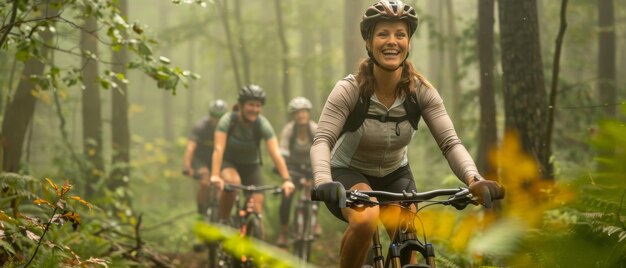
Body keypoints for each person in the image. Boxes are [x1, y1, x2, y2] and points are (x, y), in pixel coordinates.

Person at [310, 1, 505, 267]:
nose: (392, 41)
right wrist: (323, 181)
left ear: (409, 42)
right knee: (366, 220)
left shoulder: (421, 91)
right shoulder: (350, 89)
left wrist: (474, 179)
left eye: (400, 34)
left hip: (395, 174)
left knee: (407, 237)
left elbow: (450, 143)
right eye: (383, 34)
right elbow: (322, 140)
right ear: (369, 42)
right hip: (348, 171)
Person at [210, 85, 295, 230]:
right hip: (229, 162)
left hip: (251, 166)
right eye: (251, 104)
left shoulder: (262, 124)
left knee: (257, 206)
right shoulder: (228, 120)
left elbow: (275, 153)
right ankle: (224, 222)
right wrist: (215, 175)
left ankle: (254, 237)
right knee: (232, 182)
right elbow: (218, 149)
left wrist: (286, 180)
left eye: (258, 106)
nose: (254, 109)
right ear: (241, 105)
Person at [275, 97, 318, 247]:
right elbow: (283, 152)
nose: (301, 115)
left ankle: (315, 219)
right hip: (293, 167)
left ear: (308, 114)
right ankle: (284, 230)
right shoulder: (289, 130)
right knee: (286, 195)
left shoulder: (314, 129)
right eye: (298, 113)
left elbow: (322, 149)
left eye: (304, 112)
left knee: (318, 189)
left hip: (311, 166)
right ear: (293, 116)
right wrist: (283, 170)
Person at [183, 99, 228, 218]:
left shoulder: (228, 127)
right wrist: (187, 166)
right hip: (201, 159)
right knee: (205, 182)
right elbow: (190, 148)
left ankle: (222, 214)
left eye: (221, 117)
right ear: (210, 115)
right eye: (214, 116)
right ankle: (201, 213)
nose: (217, 120)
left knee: (223, 185)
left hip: (219, 160)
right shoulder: (201, 126)